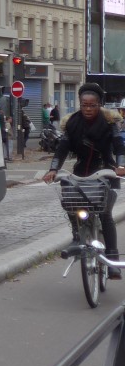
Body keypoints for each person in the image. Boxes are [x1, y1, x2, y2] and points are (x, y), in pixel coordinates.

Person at [43, 82, 125, 279]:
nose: (88, 109)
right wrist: (53, 169)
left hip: (106, 171)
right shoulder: (72, 123)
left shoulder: (109, 123)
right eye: (84, 105)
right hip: (80, 172)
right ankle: (76, 236)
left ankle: (112, 260)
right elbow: (62, 148)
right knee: (71, 202)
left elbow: (119, 146)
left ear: (100, 105)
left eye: (92, 105)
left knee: (105, 214)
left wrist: (120, 166)